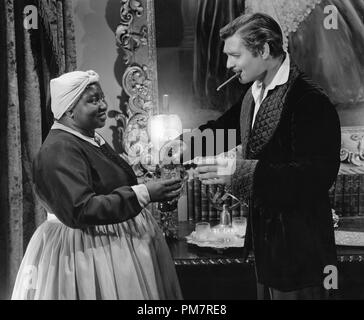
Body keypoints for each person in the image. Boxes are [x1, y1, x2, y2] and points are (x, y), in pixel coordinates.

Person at [194, 13, 341, 299]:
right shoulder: (255, 92)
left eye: (235, 55)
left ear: (263, 50)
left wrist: (238, 173)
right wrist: (182, 147)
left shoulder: (309, 100)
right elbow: (223, 129)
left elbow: (315, 177)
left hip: (303, 255)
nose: (228, 65)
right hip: (268, 251)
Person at [11, 70, 183, 300]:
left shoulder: (90, 138)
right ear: (69, 109)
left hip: (111, 244)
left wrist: (145, 186)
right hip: (87, 252)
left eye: (102, 97)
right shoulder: (58, 149)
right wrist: (143, 193)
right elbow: (79, 210)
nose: (103, 105)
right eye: (93, 100)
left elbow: (104, 185)